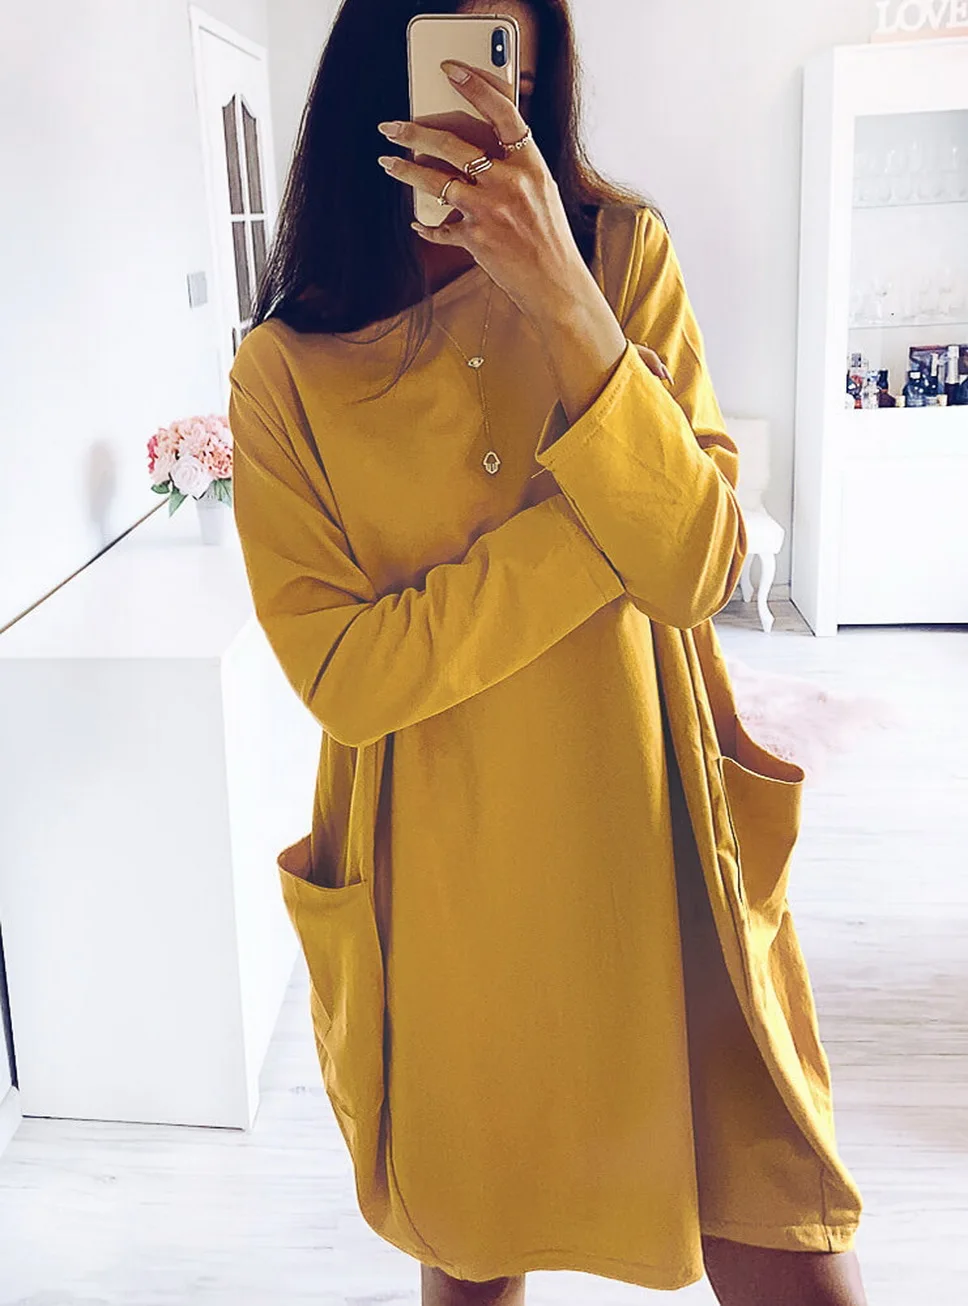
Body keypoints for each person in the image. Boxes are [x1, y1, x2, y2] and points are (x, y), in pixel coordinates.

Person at [227, 2, 869, 1303]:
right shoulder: (285, 368)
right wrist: (600, 520)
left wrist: (566, 298)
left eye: (509, 75)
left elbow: (694, 566)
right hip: (451, 891)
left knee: (791, 1243)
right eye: (451, 70)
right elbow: (347, 675)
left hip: (661, 839)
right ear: (378, 83)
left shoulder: (620, 258)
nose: (483, 114)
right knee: (475, 1251)